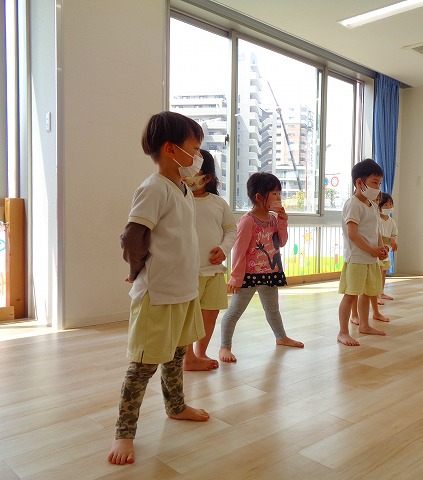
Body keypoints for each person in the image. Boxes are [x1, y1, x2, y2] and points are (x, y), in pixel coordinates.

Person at [108, 111, 209, 466]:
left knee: (177, 354)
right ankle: (124, 432)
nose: (198, 156)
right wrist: (136, 269)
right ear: (170, 149)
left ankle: (176, 406)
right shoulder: (153, 188)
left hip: (183, 290)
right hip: (158, 293)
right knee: (143, 365)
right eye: (194, 149)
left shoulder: (182, 188)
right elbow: (133, 236)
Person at [218, 172, 304, 362]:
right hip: (249, 276)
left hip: (270, 274)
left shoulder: (274, 219)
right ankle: (225, 346)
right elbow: (239, 251)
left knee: (273, 310)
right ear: (259, 197)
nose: (278, 197)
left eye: (279, 193)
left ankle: (281, 337)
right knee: (234, 312)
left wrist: (283, 220)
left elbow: (281, 242)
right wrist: (236, 277)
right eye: (274, 193)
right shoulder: (247, 221)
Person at [182, 149, 237, 371]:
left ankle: (200, 353)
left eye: (194, 172)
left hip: (214, 271)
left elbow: (231, 230)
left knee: (210, 313)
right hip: (189, 272)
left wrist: (224, 249)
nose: (188, 176)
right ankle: (187, 358)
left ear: (207, 178)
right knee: (187, 317)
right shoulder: (179, 200)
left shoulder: (219, 203)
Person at [338, 159, 389, 346]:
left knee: (367, 293)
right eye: (374, 182)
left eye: (379, 183)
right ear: (360, 182)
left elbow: (376, 231)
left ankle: (365, 325)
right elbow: (353, 234)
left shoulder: (373, 206)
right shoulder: (353, 204)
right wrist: (372, 250)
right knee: (351, 295)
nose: (377, 188)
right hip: (357, 259)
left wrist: (381, 248)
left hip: (370, 259)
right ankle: (343, 332)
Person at [377, 192, 398, 302]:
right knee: (378, 272)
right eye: (385, 204)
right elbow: (377, 236)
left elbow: (394, 234)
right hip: (378, 251)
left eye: (390, 204)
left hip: (386, 252)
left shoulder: (391, 221)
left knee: (384, 272)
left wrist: (393, 243)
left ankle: (381, 292)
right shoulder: (376, 219)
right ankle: (375, 295)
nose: (389, 207)